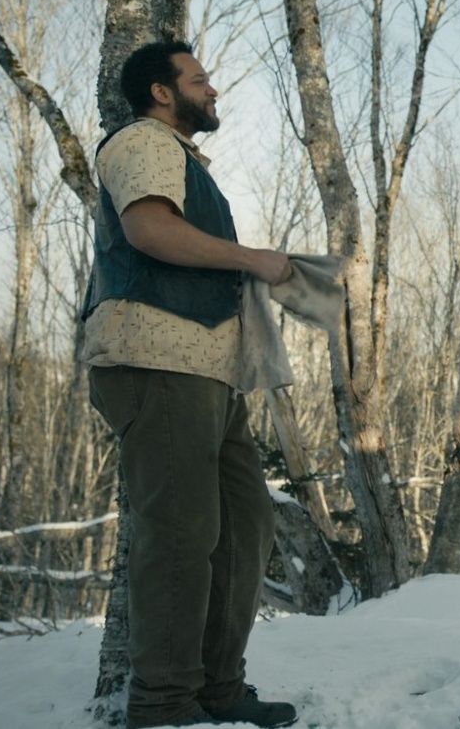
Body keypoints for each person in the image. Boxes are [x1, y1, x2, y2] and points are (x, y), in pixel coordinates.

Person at [80, 41, 298, 729]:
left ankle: (216, 687)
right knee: (180, 535)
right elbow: (149, 230)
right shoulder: (142, 141)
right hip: (157, 360)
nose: (215, 90)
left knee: (244, 526)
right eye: (200, 80)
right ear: (162, 92)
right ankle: (162, 707)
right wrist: (252, 260)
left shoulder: (181, 157)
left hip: (208, 370)